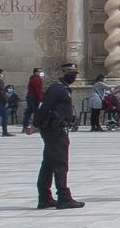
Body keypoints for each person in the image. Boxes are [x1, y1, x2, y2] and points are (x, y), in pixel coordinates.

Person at [32, 66, 83, 209]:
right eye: (69, 74)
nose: (72, 76)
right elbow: (43, 106)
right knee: (61, 164)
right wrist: (35, 124)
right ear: (62, 74)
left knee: (48, 164)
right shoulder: (57, 88)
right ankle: (63, 197)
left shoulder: (63, 88)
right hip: (55, 131)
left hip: (55, 130)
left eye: (74, 74)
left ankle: (44, 197)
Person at [23, 67, 44, 134]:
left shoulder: (32, 78)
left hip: (30, 97)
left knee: (28, 112)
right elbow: (38, 90)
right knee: (37, 113)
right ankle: (35, 127)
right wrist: (41, 98)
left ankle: (25, 126)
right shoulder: (36, 79)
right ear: (36, 72)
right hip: (34, 98)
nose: (41, 73)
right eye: (39, 71)